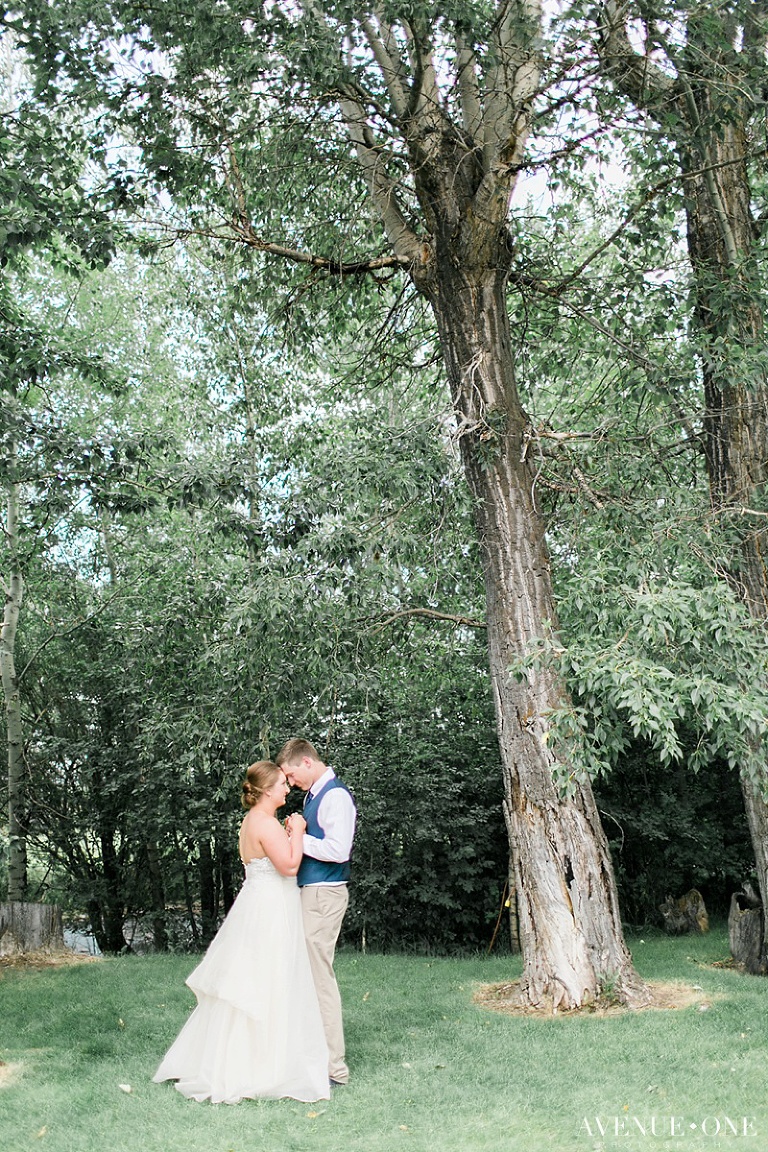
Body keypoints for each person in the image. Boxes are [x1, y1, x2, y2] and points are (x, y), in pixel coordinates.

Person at [153, 760, 330, 1104]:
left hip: (257, 903)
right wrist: (298, 831)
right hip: (271, 908)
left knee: (255, 978)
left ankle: (250, 1055)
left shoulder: (253, 821)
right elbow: (290, 866)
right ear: (265, 790)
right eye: (281, 783)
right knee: (270, 979)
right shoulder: (267, 824)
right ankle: (261, 1064)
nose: (287, 788)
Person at [276, 738, 357, 1087]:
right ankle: (314, 1054)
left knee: (320, 979)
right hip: (313, 893)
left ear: (307, 762)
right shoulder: (313, 796)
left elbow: (339, 850)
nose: (291, 783)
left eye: (292, 775)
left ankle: (334, 1067)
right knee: (309, 977)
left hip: (326, 895)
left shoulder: (335, 796)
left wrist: (298, 837)